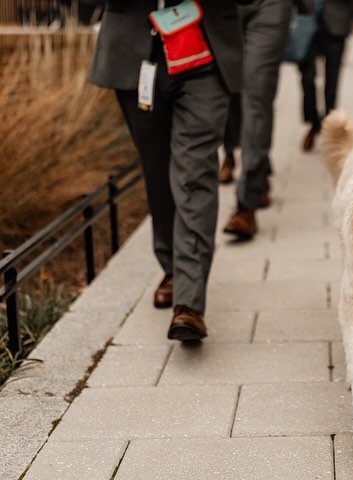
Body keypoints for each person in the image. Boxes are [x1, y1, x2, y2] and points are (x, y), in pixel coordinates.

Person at [88, 0, 248, 342]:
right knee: (157, 171)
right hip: (134, 55)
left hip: (206, 51)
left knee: (194, 174)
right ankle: (173, 267)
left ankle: (188, 302)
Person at [222, 0, 293, 240]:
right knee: (227, 90)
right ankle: (237, 157)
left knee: (257, 96)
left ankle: (246, 204)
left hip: (270, 7)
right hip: (218, 9)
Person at [298, 0, 353, 152]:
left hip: (337, 19)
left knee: (332, 81)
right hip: (306, 18)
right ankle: (313, 123)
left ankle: (330, 127)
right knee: (307, 78)